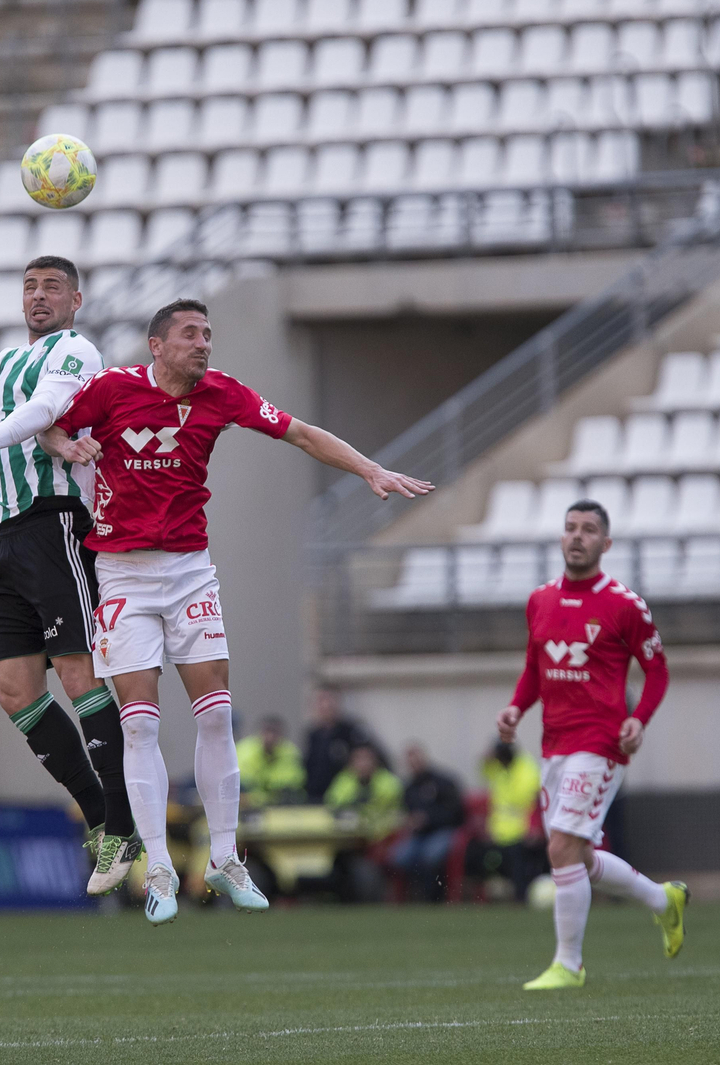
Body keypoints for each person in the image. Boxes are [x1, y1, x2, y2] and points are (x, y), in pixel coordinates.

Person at [40, 298, 432, 924]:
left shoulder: (222, 393)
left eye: (209, 334)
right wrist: (66, 446)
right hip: (121, 572)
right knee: (139, 723)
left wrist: (369, 469)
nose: (203, 344)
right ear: (157, 346)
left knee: (217, 711)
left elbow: (299, 431)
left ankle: (224, 859)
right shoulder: (111, 390)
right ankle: (161, 869)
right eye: (191, 335)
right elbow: (50, 424)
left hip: (190, 568)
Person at [0, 256, 137, 895]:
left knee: (76, 674)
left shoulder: (77, 351)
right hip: (10, 531)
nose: (39, 298)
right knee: (15, 690)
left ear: (76, 299)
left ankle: (121, 820)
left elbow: (42, 414)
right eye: (30, 288)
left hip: (60, 522)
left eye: (52, 288)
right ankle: (99, 817)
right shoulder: (7, 359)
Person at [496, 498, 687, 991]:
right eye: (570, 528)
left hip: (601, 742)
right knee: (576, 855)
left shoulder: (624, 604)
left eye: (588, 530)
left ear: (605, 543)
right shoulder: (539, 600)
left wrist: (639, 719)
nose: (577, 536)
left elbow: (658, 669)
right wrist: (518, 707)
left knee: (560, 846)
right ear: (561, 538)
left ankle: (569, 965)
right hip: (554, 744)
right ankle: (663, 901)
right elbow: (535, 668)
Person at [465, 740, 546, 902]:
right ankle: (476, 897)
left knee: (518, 862)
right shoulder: (498, 768)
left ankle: (520, 898)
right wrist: (485, 758)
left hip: (521, 831)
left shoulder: (527, 770)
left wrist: (534, 828)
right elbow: (484, 770)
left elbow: (535, 801)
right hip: (497, 832)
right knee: (475, 854)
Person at [390, 744, 464, 901]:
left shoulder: (443, 782)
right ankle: (412, 895)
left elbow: (455, 813)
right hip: (419, 835)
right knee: (399, 857)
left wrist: (428, 819)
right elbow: (407, 813)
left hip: (443, 830)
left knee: (431, 854)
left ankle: (436, 895)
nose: (414, 764)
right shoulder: (409, 788)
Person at [303, 687, 374, 802]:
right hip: (315, 798)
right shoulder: (313, 735)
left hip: (344, 798)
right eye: (321, 701)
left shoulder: (350, 731)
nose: (325, 706)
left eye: (329, 701)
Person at [325, 744, 405, 839]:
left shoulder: (387, 781)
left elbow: (385, 802)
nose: (363, 764)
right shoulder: (344, 779)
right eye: (358, 759)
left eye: (366, 759)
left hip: (383, 835)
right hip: (351, 835)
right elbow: (333, 801)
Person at [236, 715, 306, 806]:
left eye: (275, 732)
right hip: (247, 809)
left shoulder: (291, 754)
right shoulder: (243, 751)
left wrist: (256, 798)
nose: (270, 737)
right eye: (267, 731)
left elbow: (290, 788)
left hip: (279, 808)